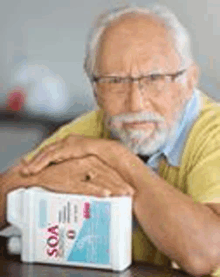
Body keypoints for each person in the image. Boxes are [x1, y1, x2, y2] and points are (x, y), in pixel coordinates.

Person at [1, 4, 220, 276]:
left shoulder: (214, 133)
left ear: (190, 81)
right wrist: (32, 179)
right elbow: (15, 182)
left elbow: (207, 253)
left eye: (154, 78)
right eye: (115, 82)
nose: (135, 102)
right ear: (96, 91)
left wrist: (119, 159)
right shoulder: (89, 130)